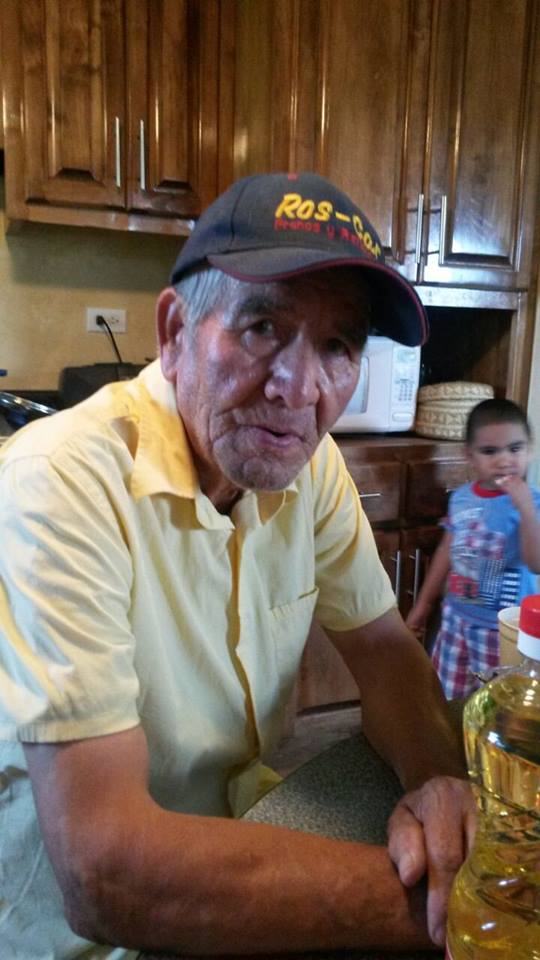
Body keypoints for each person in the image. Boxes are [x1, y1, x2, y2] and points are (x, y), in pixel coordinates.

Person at [0, 171, 473, 960]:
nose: (300, 389)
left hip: (245, 845)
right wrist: (466, 909)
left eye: (338, 346)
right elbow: (102, 873)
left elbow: (386, 650)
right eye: (261, 327)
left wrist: (436, 790)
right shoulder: (60, 480)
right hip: (78, 933)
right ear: (174, 332)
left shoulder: (309, 468)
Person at [407, 398, 540, 698]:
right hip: (456, 619)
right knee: (447, 696)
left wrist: (526, 509)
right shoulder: (462, 498)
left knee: (497, 703)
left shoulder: (533, 502)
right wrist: (424, 604)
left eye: (515, 449)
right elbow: (447, 551)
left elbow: (536, 563)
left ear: (529, 450)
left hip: (502, 630)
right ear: (469, 455)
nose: (504, 460)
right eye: (490, 451)